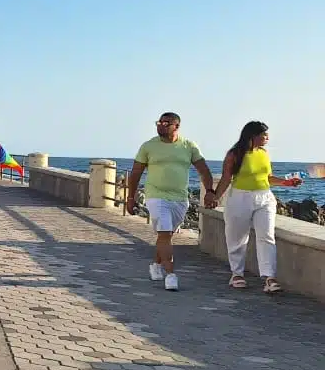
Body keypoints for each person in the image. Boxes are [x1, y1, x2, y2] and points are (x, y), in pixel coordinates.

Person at [125, 112, 216, 291]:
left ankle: (156, 265)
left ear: (177, 126)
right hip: (156, 196)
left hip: (180, 199)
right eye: (158, 123)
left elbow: (204, 170)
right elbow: (135, 173)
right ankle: (171, 275)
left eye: (166, 123)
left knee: (165, 236)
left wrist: (210, 192)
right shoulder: (148, 146)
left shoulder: (188, 146)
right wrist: (130, 197)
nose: (161, 126)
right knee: (165, 234)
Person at [212, 121, 301, 294]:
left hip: (264, 197)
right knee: (237, 237)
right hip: (240, 197)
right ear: (252, 135)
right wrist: (214, 196)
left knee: (266, 235)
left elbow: (267, 177)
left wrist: (286, 182)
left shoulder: (264, 153)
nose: (267, 138)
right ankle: (236, 274)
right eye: (264, 135)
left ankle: (269, 278)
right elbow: (225, 179)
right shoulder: (234, 154)